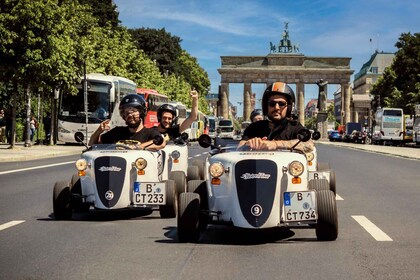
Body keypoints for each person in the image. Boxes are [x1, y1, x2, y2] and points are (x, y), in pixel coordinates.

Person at [238, 82, 314, 152]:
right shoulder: (254, 127)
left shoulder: (294, 127)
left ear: (289, 108)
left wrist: (275, 144)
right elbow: (239, 147)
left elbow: (309, 145)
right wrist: (248, 144)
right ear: (265, 107)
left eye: (281, 104)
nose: (276, 107)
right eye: (272, 103)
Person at [88, 94, 165, 150]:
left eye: (134, 111)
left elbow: (161, 143)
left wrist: (139, 147)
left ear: (142, 112)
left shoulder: (149, 132)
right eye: (127, 113)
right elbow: (92, 144)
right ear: (123, 116)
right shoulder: (117, 131)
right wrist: (98, 131)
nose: (130, 115)